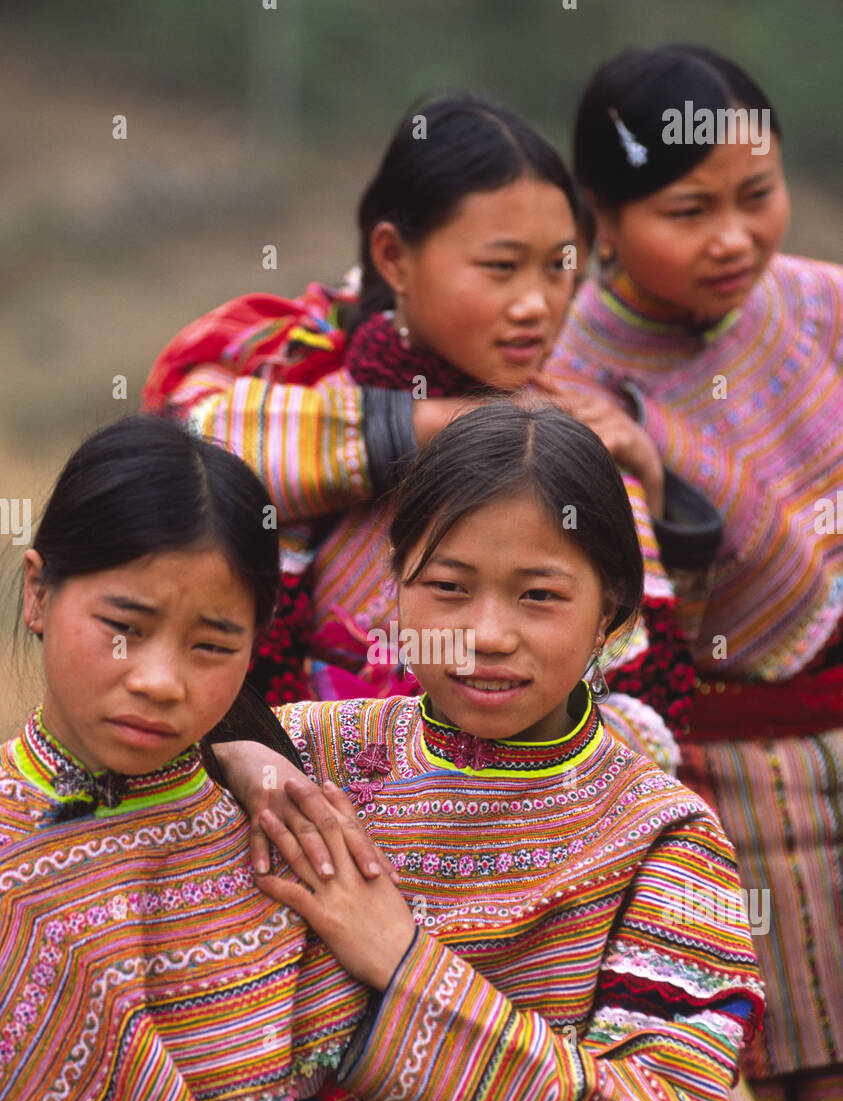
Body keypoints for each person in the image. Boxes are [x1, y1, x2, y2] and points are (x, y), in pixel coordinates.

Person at [214, 400, 765, 1101]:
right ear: (394, 591)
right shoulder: (312, 752)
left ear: (612, 615)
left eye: (539, 595)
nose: (487, 632)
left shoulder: (661, 833)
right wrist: (233, 752)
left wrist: (397, 960)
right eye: (447, 586)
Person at [143, 95, 704, 763]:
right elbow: (179, 458)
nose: (535, 304)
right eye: (500, 267)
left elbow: (636, 693)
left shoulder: (575, 441)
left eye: (560, 268)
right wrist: (458, 423)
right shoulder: (294, 405)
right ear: (393, 257)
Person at [544, 43, 841, 1101]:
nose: (736, 236)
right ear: (599, 218)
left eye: (757, 191)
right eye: (688, 209)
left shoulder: (824, 309)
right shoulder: (558, 374)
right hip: (714, 796)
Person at [0, 413, 411, 1101]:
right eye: (124, 626)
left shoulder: (284, 828)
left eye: (212, 645)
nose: (159, 679)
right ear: (39, 594)